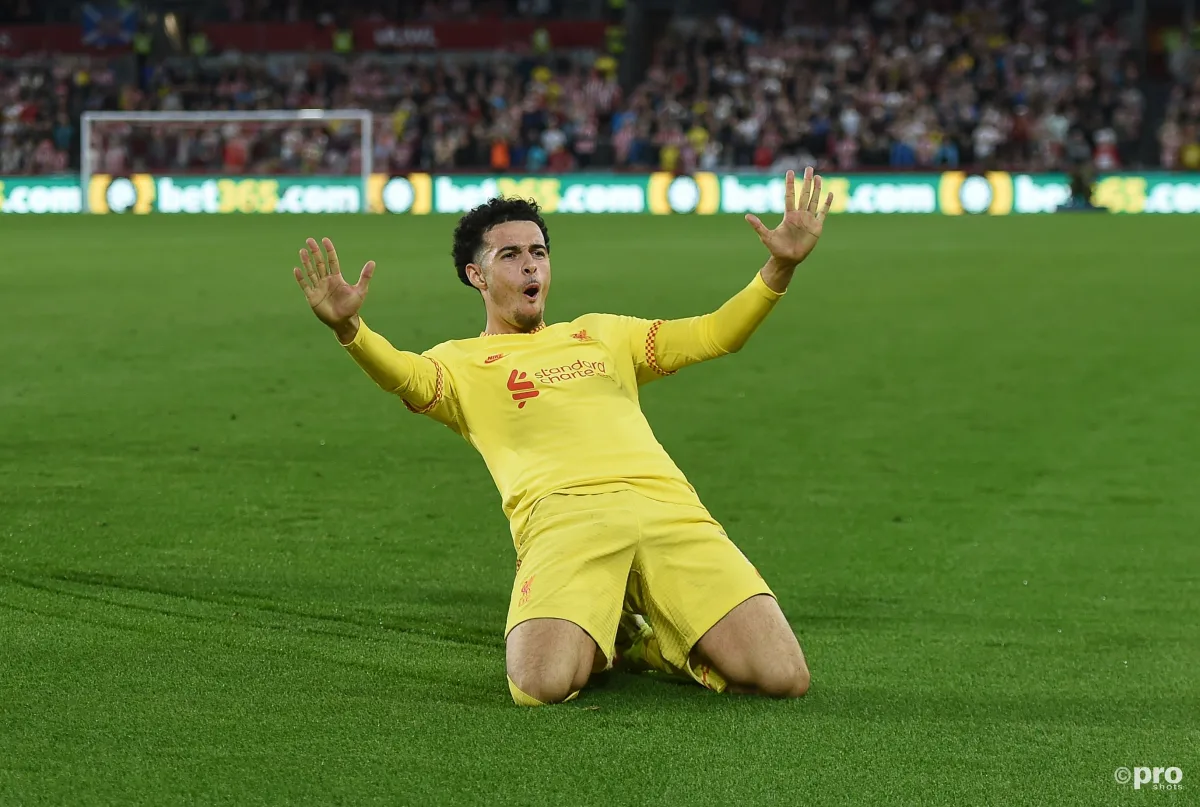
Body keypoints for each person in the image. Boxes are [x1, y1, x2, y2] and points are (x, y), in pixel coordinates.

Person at [292, 168, 834, 706]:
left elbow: (716, 333)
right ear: (476, 276)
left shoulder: (601, 333)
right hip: (564, 519)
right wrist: (350, 331)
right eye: (510, 255)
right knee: (541, 685)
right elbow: (404, 375)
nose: (530, 263)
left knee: (785, 677)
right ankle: (610, 633)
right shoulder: (459, 363)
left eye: (538, 251)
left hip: (669, 510)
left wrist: (779, 266)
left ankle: (644, 645)